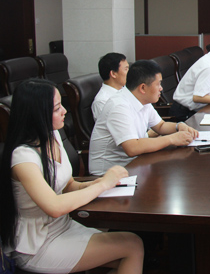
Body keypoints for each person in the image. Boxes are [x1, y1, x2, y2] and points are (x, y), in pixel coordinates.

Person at [0, 79, 144, 273]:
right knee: (133, 246)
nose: (65, 111)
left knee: (127, 252)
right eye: (57, 108)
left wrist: (102, 183)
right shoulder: (23, 157)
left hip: (63, 226)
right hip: (37, 244)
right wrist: (102, 185)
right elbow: (54, 206)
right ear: (37, 115)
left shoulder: (53, 135)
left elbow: (68, 185)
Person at [89, 60, 197, 175]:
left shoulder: (142, 99)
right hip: (108, 175)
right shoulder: (119, 106)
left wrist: (179, 126)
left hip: (135, 164)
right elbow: (132, 148)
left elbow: (160, 126)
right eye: (158, 84)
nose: (161, 88)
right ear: (143, 88)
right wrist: (172, 139)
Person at [92, 52, 129, 120]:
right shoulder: (102, 101)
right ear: (113, 74)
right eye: (126, 69)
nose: (129, 73)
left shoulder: (126, 90)